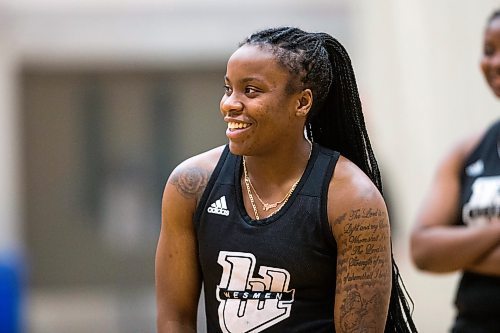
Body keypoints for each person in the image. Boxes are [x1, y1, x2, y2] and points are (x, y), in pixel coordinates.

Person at [156, 27, 417, 332]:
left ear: (302, 102)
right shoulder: (190, 185)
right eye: (229, 89)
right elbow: (175, 319)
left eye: (251, 90)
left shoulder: (353, 199)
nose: (229, 104)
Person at [410, 10, 500, 333]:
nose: (495, 62)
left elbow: (441, 251)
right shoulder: (466, 151)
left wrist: (459, 250)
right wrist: (494, 232)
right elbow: (422, 249)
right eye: (489, 50)